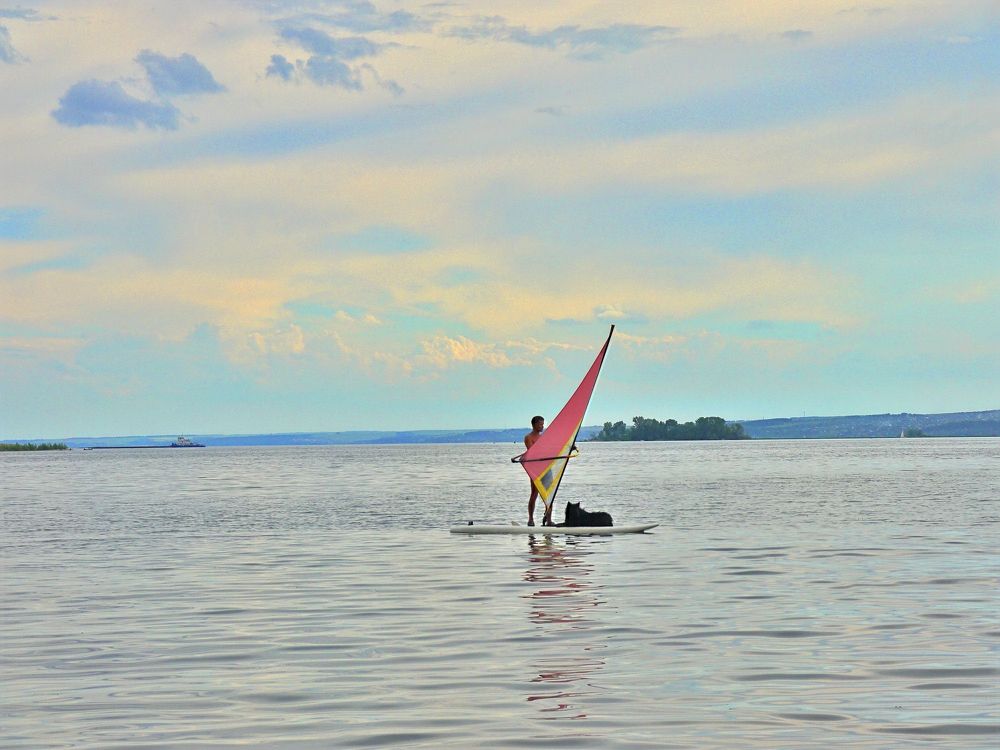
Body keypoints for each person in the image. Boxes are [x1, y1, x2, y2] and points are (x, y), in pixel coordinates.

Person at [523, 415, 547, 526]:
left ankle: (549, 519)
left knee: (549, 493)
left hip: (546, 468)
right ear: (534, 425)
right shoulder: (529, 437)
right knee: (534, 493)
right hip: (535, 469)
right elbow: (532, 452)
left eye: (543, 424)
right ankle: (531, 519)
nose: (542, 426)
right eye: (540, 424)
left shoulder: (544, 437)